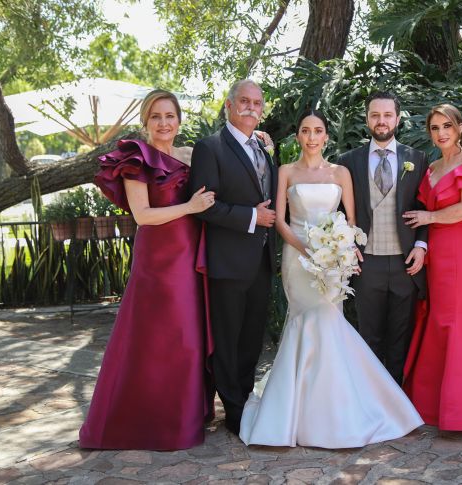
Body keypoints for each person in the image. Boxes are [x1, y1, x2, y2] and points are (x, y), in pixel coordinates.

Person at [239, 109, 423, 447]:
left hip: (332, 259)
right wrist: (306, 248)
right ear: (298, 136)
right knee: (303, 323)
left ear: (326, 136)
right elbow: (279, 220)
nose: (311, 137)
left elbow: (351, 221)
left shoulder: (340, 172)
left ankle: (335, 410)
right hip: (298, 259)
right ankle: (293, 412)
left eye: (318, 131)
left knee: (329, 323)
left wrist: (341, 249)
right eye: (305, 130)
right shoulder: (286, 172)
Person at [79, 89, 216, 450]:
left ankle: (182, 419)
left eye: (170, 116)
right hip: (158, 262)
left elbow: (227, 157)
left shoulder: (190, 155)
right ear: (145, 121)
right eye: (156, 116)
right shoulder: (136, 161)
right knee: (152, 340)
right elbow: (143, 216)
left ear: (179, 120)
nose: (164, 123)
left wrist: (257, 139)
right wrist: (190, 207)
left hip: (190, 258)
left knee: (187, 340)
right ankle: (139, 422)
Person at [399, 104, 462, 431]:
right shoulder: (431, 168)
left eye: (447, 126)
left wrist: (429, 217)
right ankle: (433, 404)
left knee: (459, 320)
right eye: (435, 128)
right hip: (435, 252)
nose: (441, 133)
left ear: (459, 128)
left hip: (461, 247)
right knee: (438, 317)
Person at [188, 79, 278, 436]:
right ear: (228, 105)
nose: (251, 107)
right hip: (228, 261)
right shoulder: (209, 148)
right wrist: (253, 217)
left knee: (252, 338)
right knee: (227, 338)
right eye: (244, 100)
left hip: (261, 261)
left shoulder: (263, 148)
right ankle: (234, 412)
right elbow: (204, 206)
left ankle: (245, 396)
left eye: (257, 102)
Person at [336, 91, 429, 385]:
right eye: (375, 115)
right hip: (367, 263)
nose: (381, 121)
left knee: (400, 337)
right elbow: (339, 212)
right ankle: (371, 399)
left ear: (398, 119)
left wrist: (421, 245)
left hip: (405, 263)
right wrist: (346, 248)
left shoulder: (418, 159)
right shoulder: (347, 162)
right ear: (367, 119)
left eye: (387, 115)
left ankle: (397, 401)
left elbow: (425, 207)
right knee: (369, 336)